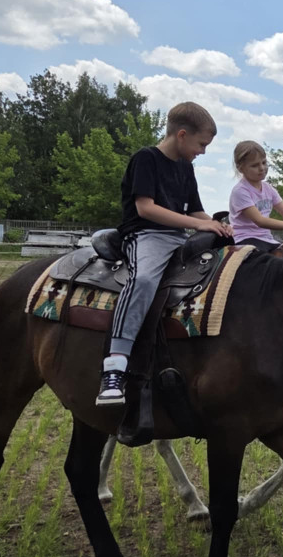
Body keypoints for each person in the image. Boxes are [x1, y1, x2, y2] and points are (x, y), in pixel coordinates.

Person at [96, 102, 232, 406]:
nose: (203, 152)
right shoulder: (145, 159)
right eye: (201, 144)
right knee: (143, 280)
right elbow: (146, 208)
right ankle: (115, 366)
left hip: (179, 236)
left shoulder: (186, 167)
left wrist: (217, 227)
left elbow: (196, 209)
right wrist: (199, 223)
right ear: (182, 135)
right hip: (146, 234)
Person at [228, 140, 283, 252]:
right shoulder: (240, 191)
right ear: (240, 168)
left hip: (267, 239)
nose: (262, 168)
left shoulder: (268, 189)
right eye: (254, 165)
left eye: (264, 162)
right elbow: (260, 221)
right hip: (245, 239)